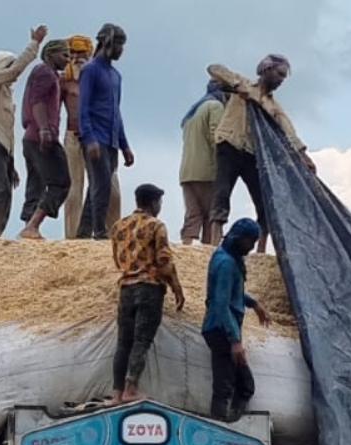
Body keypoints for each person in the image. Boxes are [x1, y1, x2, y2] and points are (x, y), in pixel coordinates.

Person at [207, 54, 316, 253]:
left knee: (264, 202)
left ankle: (261, 249)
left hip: (251, 154)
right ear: (267, 70)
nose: (281, 80)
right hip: (230, 146)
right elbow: (214, 69)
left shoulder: (273, 106)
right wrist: (237, 86)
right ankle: (214, 244)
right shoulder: (244, 84)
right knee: (222, 194)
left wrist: (304, 156)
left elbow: (288, 131)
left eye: (284, 76)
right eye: (279, 74)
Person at [109, 183, 185, 405]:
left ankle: (117, 394)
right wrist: (176, 288)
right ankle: (132, 388)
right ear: (153, 202)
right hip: (149, 288)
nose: (160, 206)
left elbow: (116, 259)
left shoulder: (118, 226)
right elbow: (163, 260)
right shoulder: (156, 226)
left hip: (126, 288)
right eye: (159, 202)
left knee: (123, 342)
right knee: (141, 340)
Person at [0, 25, 48, 237]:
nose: (12, 71)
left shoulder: (7, 94)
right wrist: (34, 44)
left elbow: (8, 132)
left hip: (3, 147)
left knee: (7, 192)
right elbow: (16, 70)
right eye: (7, 65)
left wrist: (11, 161)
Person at [201, 218, 271, 422]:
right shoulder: (226, 263)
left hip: (222, 327)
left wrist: (254, 304)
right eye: (250, 242)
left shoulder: (228, 257)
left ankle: (228, 420)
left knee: (241, 384)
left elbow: (234, 292)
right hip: (221, 329)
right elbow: (221, 304)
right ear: (240, 239)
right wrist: (235, 341)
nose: (252, 247)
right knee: (227, 385)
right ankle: (220, 424)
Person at [76, 23, 134, 240]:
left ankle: (83, 232)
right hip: (95, 136)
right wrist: (89, 138)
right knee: (101, 186)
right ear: (107, 42)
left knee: (98, 186)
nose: (121, 49)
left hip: (111, 139)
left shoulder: (116, 76)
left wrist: (125, 145)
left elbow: (116, 113)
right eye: (118, 43)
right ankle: (99, 231)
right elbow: (83, 107)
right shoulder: (90, 70)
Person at [61, 34, 122, 239]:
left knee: (110, 189)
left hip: (100, 138)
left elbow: (113, 110)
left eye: (81, 53)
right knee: (74, 190)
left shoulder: (101, 76)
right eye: (73, 53)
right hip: (73, 137)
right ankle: (74, 237)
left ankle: (113, 234)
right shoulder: (65, 81)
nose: (77, 57)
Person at [18, 40, 72, 239]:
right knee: (61, 182)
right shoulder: (45, 72)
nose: (68, 60)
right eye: (64, 55)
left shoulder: (46, 74)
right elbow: (38, 101)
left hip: (29, 138)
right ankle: (33, 225)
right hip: (41, 135)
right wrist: (44, 130)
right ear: (51, 54)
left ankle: (28, 226)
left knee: (36, 183)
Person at [178, 79, 227, 246]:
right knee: (212, 214)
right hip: (207, 170)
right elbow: (217, 137)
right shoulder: (216, 107)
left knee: (193, 213)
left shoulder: (194, 110)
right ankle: (209, 251)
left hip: (187, 171)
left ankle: (186, 247)